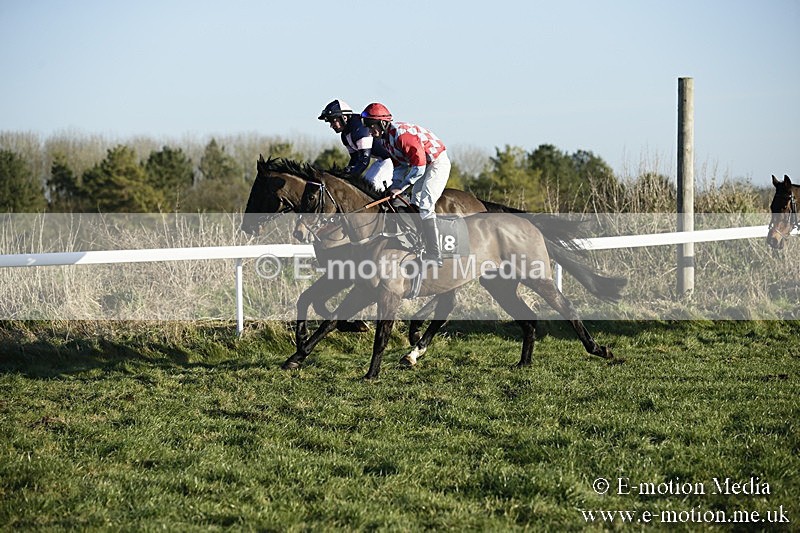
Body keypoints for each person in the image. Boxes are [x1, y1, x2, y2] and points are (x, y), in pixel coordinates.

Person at [361, 102, 451, 266]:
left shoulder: (402, 137)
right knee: (413, 204)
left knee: (424, 205)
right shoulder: (386, 140)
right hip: (422, 166)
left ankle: (435, 254)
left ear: (382, 123)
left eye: (371, 126)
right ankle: (419, 243)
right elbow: (400, 166)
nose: (369, 131)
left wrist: (401, 187)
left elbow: (419, 168)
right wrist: (394, 185)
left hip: (436, 163)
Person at [317, 99, 393, 193]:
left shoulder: (359, 128)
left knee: (372, 186)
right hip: (380, 160)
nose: (331, 126)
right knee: (366, 185)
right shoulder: (345, 136)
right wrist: (345, 173)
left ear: (344, 117)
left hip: (391, 160)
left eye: (333, 121)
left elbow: (364, 160)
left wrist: (348, 179)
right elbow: (355, 159)